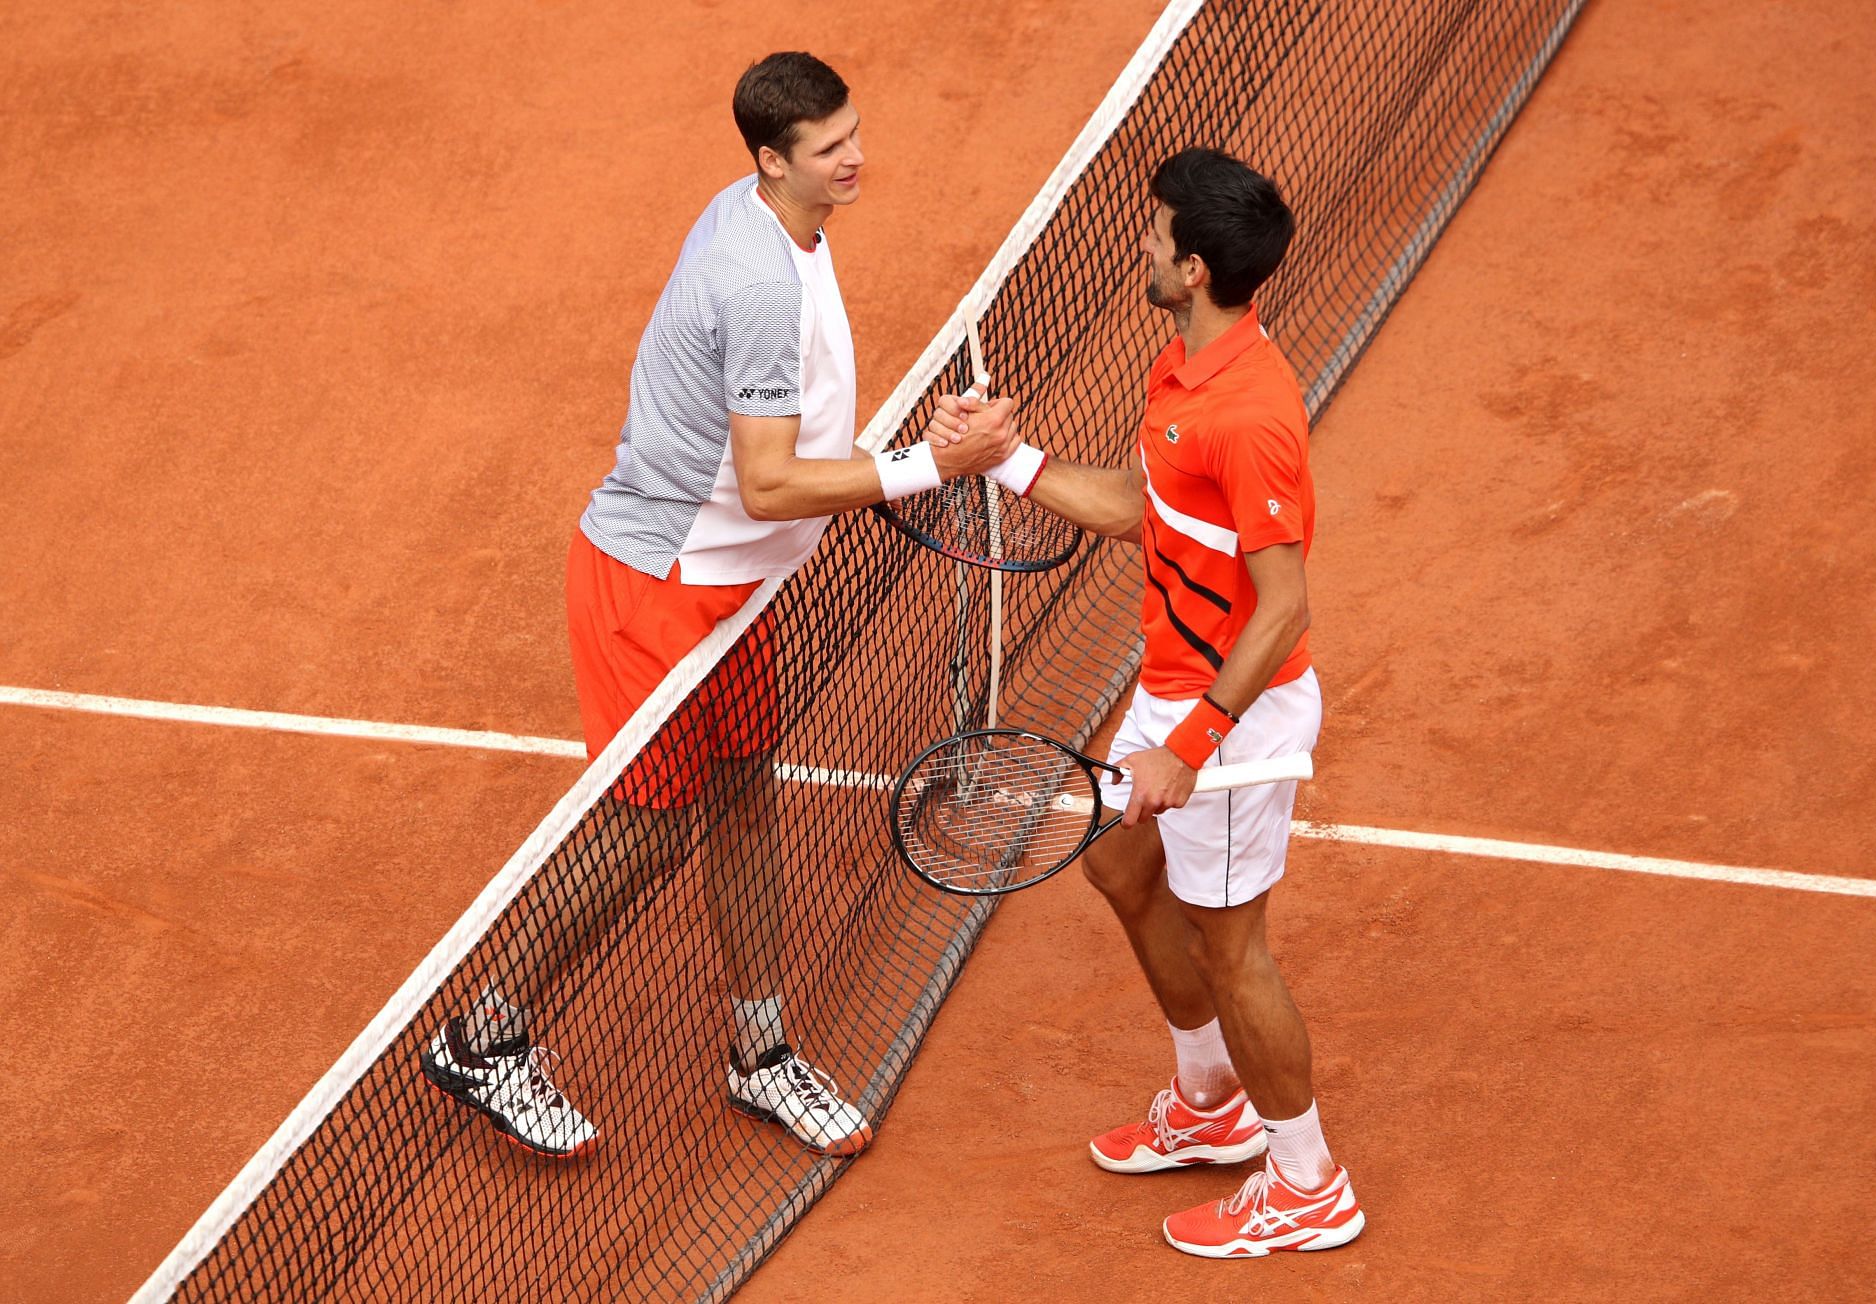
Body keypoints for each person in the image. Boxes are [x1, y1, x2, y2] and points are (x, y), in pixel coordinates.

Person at [421, 51, 1017, 1160]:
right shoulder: (756, 278)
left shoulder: (776, 218)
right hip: (658, 584)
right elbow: (770, 480)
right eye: (832, 147)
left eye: (853, 133)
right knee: (647, 831)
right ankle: (485, 1032)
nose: (856, 157)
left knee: (745, 797)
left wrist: (900, 456)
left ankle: (760, 1052)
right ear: (768, 159)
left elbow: (786, 451)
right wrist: (926, 468)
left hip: (738, 585)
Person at [941, 147, 1363, 1256]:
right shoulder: (1182, 374)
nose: (1139, 241)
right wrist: (1007, 460)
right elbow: (1142, 504)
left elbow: (1281, 602)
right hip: (1173, 680)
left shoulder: (1250, 413)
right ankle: (1210, 1100)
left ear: (1191, 265)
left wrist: (1195, 740)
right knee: (1121, 864)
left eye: (1153, 230)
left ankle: (1309, 1177)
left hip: (1232, 713)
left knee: (1236, 951)